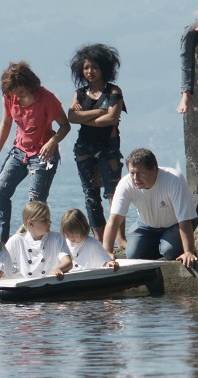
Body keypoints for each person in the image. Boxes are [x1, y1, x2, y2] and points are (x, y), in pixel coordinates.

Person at [0, 62, 71, 243]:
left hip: (43, 155)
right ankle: (1, 244)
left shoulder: (47, 99)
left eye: (20, 92)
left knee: (36, 203)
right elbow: (6, 123)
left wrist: (53, 142)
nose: (16, 96)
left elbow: (65, 126)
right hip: (19, 152)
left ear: (30, 85)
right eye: (13, 93)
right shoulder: (10, 98)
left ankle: (31, 243)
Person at [67, 44, 127, 245]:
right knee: (91, 195)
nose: (90, 72)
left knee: (114, 193)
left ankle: (120, 238)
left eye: (94, 67)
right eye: (86, 68)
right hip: (84, 148)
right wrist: (97, 113)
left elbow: (111, 119)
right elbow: (71, 117)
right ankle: (99, 239)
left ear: (104, 68)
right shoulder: (80, 93)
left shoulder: (114, 91)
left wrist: (83, 116)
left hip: (108, 147)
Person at [103, 148, 198, 267]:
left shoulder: (174, 179)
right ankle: (162, 243)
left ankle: (173, 246)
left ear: (154, 169)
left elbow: (184, 219)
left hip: (179, 220)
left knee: (169, 251)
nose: (135, 178)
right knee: (133, 254)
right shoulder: (125, 184)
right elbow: (114, 220)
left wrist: (188, 252)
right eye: (132, 173)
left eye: (140, 173)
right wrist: (106, 253)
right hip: (147, 223)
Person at [5, 201, 73, 279]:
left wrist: (58, 269)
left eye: (49, 218)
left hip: (51, 283)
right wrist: (16, 273)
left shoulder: (57, 238)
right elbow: (1, 262)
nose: (49, 222)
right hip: (27, 286)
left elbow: (68, 262)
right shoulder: (16, 240)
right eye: (44, 220)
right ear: (31, 223)